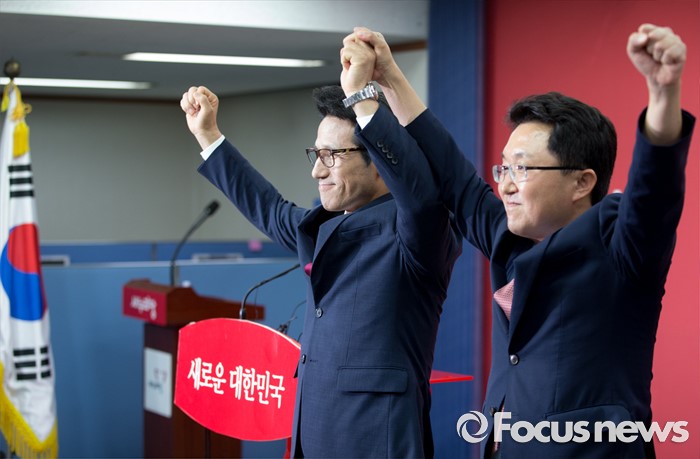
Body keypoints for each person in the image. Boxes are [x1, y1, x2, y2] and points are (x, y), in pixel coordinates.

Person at [344, 23, 695, 458]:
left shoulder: (623, 249)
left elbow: (654, 190)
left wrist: (663, 95)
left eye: (522, 169)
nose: (506, 184)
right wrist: (388, 78)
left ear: (582, 182)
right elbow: (452, 173)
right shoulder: (511, 240)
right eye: (504, 168)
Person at [180, 81, 461, 457]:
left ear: (381, 160)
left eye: (331, 156)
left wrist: (368, 106)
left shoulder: (417, 233)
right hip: (313, 432)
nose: (317, 171)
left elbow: (422, 199)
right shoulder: (324, 227)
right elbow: (269, 207)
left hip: (374, 441)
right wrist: (209, 135)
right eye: (316, 154)